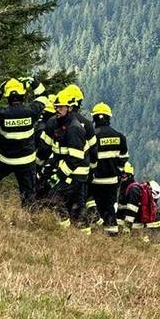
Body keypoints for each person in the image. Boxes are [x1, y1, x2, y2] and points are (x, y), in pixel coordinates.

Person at [0, 79, 41, 210]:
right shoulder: (31, 111)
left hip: (5, 161)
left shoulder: (2, 113)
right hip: (26, 162)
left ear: (8, 98)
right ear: (23, 95)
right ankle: (30, 221)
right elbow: (43, 99)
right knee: (28, 193)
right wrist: (34, 83)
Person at [41, 83, 94, 227]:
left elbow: (75, 158)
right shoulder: (59, 123)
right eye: (56, 107)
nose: (57, 109)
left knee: (55, 198)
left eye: (60, 107)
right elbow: (56, 152)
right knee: (77, 208)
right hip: (75, 173)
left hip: (74, 173)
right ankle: (78, 235)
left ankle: (64, 231)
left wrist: (58, 174)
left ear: (69, 108)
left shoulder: (74, 128)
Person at [89, 103, 129, 236]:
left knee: (95, 206)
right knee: (109, 207)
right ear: (109, 118)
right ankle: (112, 235)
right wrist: (119, 171)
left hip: (95, 181)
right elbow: (123, 159)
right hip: (112, 181)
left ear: (94, 118)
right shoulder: (119, 137)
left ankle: (97, 233)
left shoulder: (92, 136)